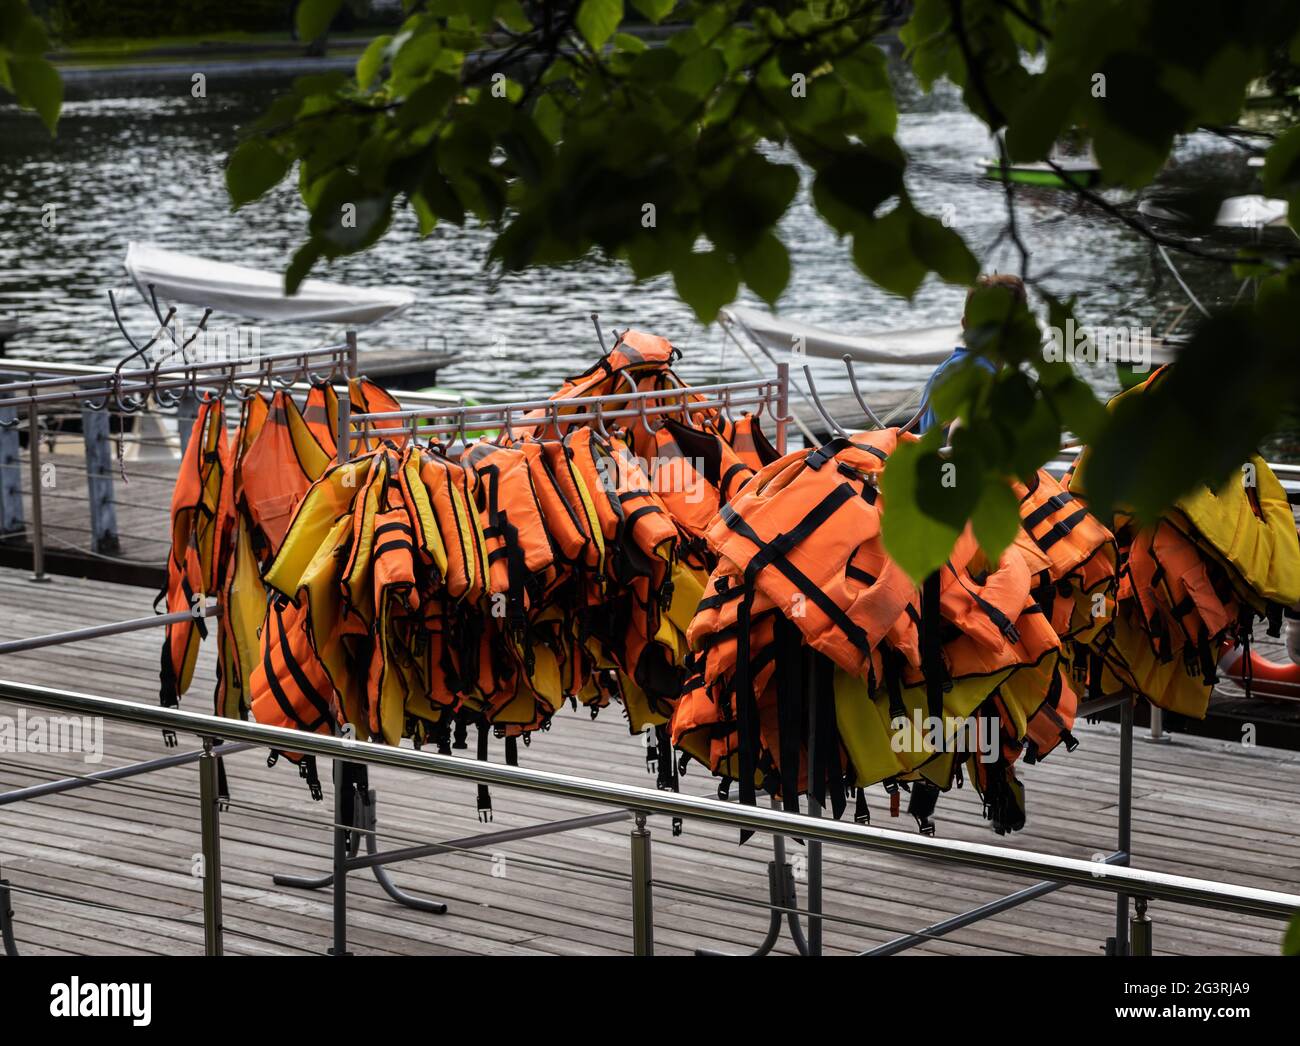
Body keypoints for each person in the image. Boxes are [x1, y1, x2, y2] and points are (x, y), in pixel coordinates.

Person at [914, 273, 1026, 436]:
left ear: (964, 325)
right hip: (952, 462)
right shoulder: (982, 377)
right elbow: (958, 432)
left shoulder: (949, 367)